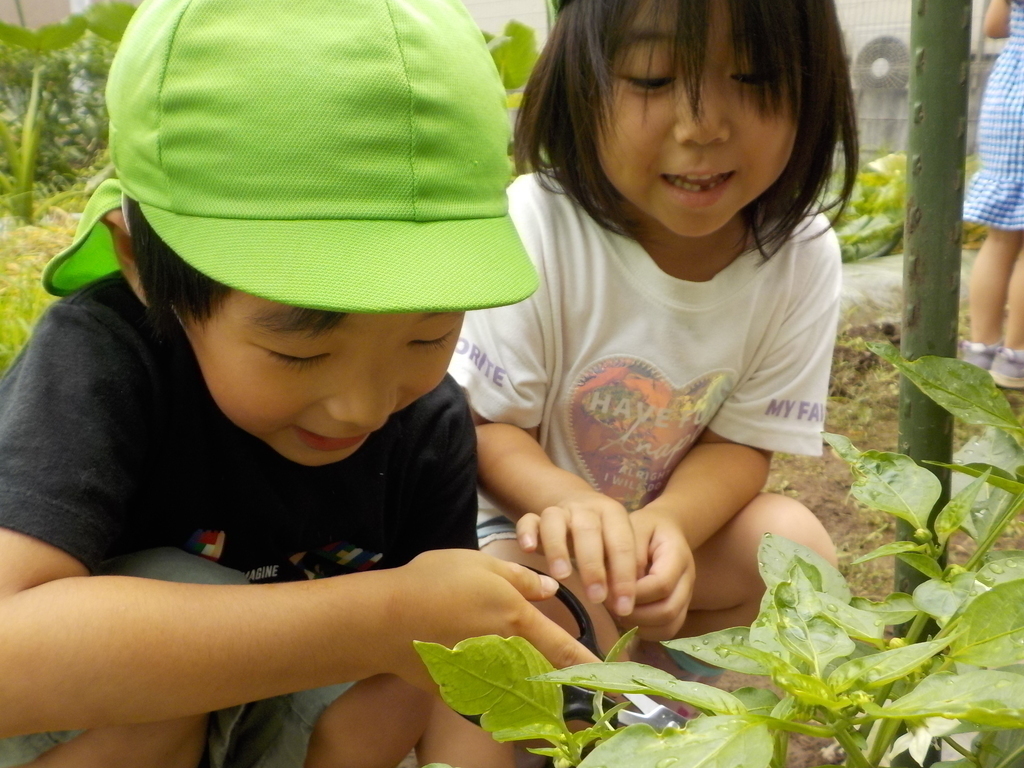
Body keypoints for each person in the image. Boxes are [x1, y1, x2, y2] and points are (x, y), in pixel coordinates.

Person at [0, 0, 597, 766]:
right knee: (179, 610)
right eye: (300, 353)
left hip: (278, 735)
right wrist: (379, 617)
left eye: (427, 335)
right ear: (142, 263)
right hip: (87, 732)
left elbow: (423, 683)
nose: (365, 405)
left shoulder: (427, 423)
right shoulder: (106, 359)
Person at [451, 0, 858, 679]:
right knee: (553, 595)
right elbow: (488, 432)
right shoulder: (537, 226)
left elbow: (738, 444)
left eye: (755, 78)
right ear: (581, 82)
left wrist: (670, 526)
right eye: (652, 77)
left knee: (796, 550)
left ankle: (661, 708)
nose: (704, 127)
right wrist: (582, 513)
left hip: (661, 544)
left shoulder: (801, 254)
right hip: (525, 537)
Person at [962, 0, 1024, 387]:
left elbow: (995, 25)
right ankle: (1016, 358)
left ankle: (980, 351)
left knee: (1000, 238)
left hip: (1007, 97)